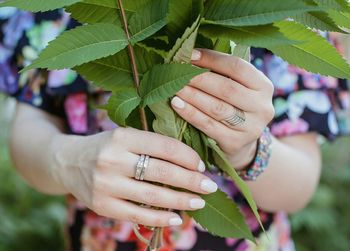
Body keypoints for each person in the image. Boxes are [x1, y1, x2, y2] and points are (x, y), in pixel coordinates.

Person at [1, 8, 349, 251]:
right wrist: (70, 160)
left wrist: (246, 149)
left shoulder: (279, 13)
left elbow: (299, 184)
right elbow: (31, 127)